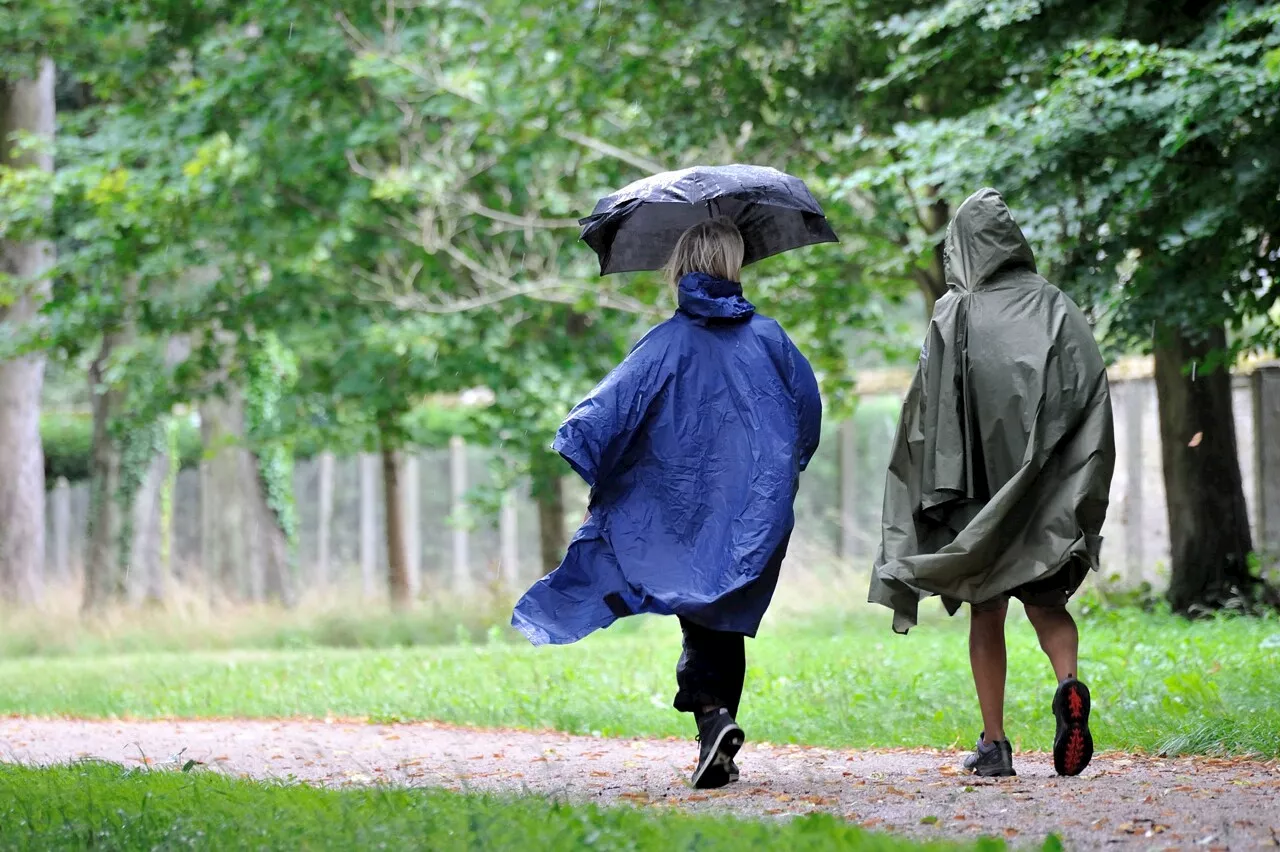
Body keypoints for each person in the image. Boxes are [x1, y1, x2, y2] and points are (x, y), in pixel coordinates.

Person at [512, 217, 822, 790]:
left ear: (680, 269)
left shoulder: (663, 344)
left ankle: (712, 717)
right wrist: (773, 475)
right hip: (753, 509)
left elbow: (604, 419)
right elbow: (806, 419)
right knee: (720, 615)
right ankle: (716, 726)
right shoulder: (772, 340)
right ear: (735, 265)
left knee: (703, 617)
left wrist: (596, 471)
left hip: (677, 511)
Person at [869, 188, 1115, 779]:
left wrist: (927, 493)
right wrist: (1071, 480)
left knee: (988, 613)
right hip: (1044, 492)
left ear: (963, 247)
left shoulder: (956, 311)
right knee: (1047, 601)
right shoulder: (1056, 305)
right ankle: (1069, 684)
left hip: (979, 493)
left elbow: (926, 412)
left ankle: (995, 745)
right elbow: (1089, 393)